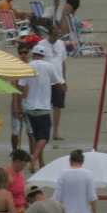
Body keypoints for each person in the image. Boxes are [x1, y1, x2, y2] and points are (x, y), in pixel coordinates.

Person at [17, 41, 64, 171]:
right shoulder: (49, 66)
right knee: (44, 137)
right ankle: (34, 157)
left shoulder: (28, 66)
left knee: (36, 137)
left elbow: (20, 87)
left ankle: (39, 162)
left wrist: (19, 106)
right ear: (43, 55)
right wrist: (62, 89)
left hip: (30, 107)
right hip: (43, 107)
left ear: (33, 54)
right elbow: (57, 83)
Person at [33, 25, 69, 140]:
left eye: (57, 35)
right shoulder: (41, 45)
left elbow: (62, 62)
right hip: (46, 80)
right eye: (54, 35)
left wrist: (64, 80)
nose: (56, 38)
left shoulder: (61, 44)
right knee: (45, 106)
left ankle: (55, 133)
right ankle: (45, 130)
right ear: (49, 34)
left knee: (57, 106)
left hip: (59, 79)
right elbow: (36, 62)